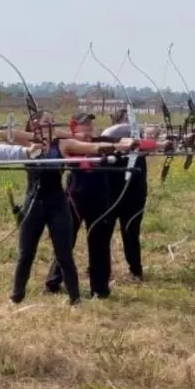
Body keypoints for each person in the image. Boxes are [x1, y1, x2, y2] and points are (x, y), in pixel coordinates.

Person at [44, 112, 137, 299]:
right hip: (75, 199)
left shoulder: (100, 141)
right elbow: (60, 141)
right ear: (73, 127)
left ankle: (100, 288)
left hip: (100, 198)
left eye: (90, 125)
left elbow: (115, 145)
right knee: (65, 242)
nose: (88, 128)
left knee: (100, 243)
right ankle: (54, 281)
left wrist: (130, 144)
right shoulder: (68, 143)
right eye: (83, 125)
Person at [102, 108, 151, 282]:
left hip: (135, 193)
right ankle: (100, 270)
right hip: (110, 193)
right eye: (125, 120)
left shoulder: (141, 141)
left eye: (131, 121)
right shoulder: (107, 141)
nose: (130, 125)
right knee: (103, 233)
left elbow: (153, 145)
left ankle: (136, 271)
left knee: (131, 231)